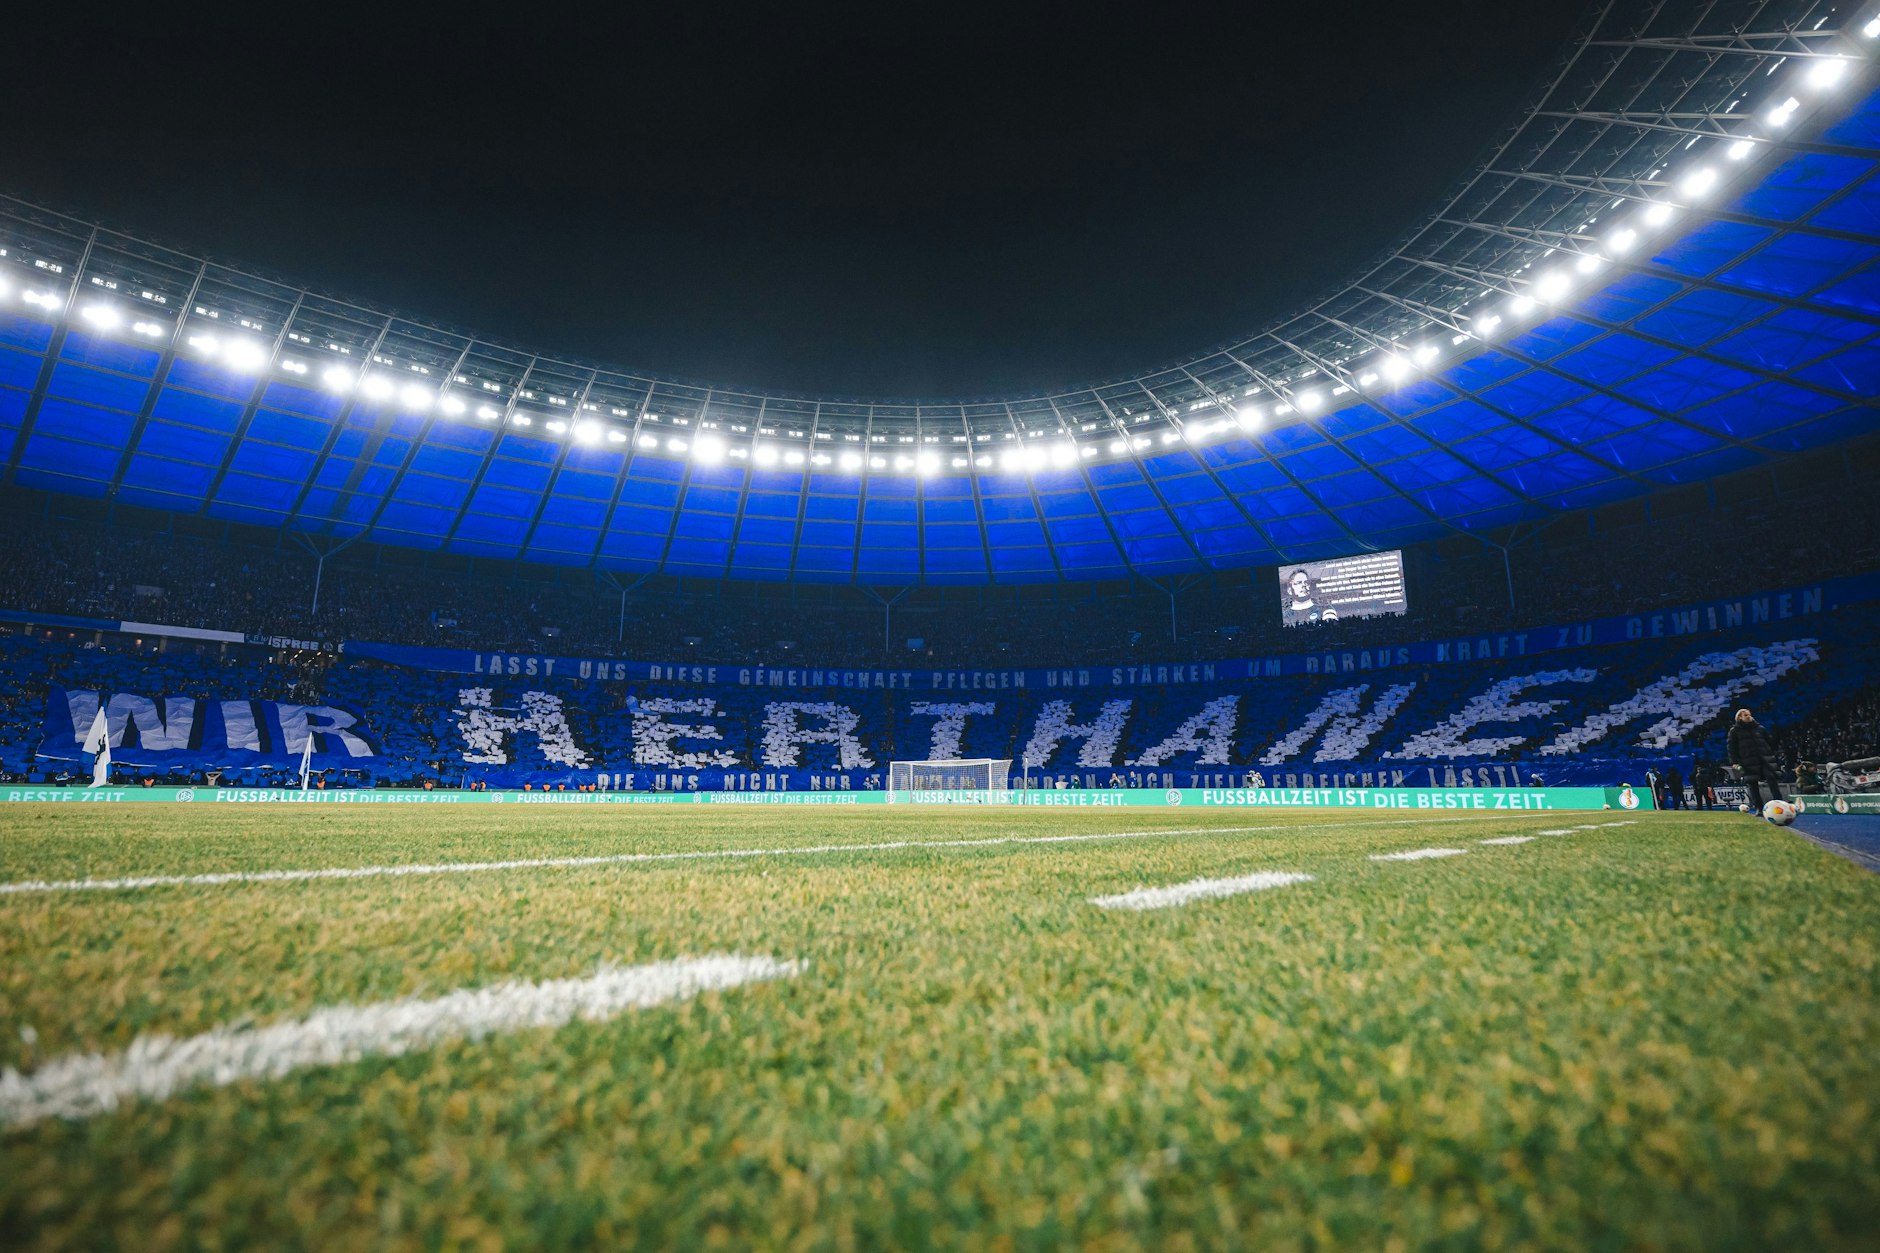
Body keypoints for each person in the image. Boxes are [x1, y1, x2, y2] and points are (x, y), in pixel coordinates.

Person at [1727, 708, 1786, 813]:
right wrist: (1734, 762)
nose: (1749, 716)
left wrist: (1775, 744)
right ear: (1739, 717)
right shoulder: (1734, 731)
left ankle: (1779, 803)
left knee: (1772, 778)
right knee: (1752, 784)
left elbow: (1770, 742)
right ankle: (1759, 807)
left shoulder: (1760, 728)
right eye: (1745, 715)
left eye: (1749, 714)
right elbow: (1732, 748)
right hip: (1747, 761)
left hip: (1764, 759)